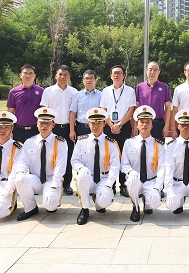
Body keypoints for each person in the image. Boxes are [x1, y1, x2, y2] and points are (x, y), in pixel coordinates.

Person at [14, 107, 68, 221]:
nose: (44, 126)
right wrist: (20, 173)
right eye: (41, 123)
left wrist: (54, 186)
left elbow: (60, 167)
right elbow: (23, 161)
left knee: (50, 206)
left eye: (47, 123)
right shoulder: (30, 142)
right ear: (37, 124)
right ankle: (30, 208)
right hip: (36, 179)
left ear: (53, 125)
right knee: (20, 179)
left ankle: (55, 194)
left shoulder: (61, 143)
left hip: (52, 179)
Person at [71, 107, 120, 225]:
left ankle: (98, 201)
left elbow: (115, 166)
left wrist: (109, 184)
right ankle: (84, 209)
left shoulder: (111, 143)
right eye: (93, 123)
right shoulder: (81, 141)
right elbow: (75, 160)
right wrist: (82, 168)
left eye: (99, 123)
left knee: (104, 202)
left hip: (103, 178)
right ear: (88, 123)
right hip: (87, 178)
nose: (96, 126)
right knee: (81, 175)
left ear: (104, 124)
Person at [120, 106, 165, 222]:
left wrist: (157, 187)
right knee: (132, 179)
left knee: (155, 203)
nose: (144, 125)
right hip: (136, 181)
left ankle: (147, 202)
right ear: (137, 125)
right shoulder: (129, 143)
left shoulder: (158, 145)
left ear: (152, 125)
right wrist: (131, 172)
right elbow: (124, 165)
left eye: (148, 122)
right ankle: (135, 206)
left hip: (151, 181)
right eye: (142, 122)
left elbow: (162, 168)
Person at [40, 65, 78, 195]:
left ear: (69, 77)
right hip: (53, 128)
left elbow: (74, 112)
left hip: (68, 128)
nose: (63, 77)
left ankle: (67, 183)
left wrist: (72, 130)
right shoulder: (49, 91)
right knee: (51, 155)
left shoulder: (74, 92)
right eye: (60, 74)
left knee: (68, 156)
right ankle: (50, 182)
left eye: (65, 75)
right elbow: (43, 110)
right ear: (56, 76)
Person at [100, 64, 136, 197]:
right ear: (111, 76)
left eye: (119, 73)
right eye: (114, 73)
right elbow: (103, 110)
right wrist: (111, 125)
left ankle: (123, 185)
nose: (116, 75)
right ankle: (111, 185)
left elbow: (131, 110)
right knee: (109, 156)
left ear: (124, 75)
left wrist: (119, 125)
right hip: (109, 126)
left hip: (124, 126)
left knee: (123, 156)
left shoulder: (130, 91)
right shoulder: (105, 91)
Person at [135, 61, 172, 141]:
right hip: (143, 123)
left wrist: (166, 126)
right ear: (146, 71)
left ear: (159, 72)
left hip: (158, 124)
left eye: (155, 70)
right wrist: (136, 126)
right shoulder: (140, 87)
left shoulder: (164, 87)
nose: (152, 72)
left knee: (158, 147)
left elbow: (168, 107)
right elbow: (136, 107)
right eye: (150, 69)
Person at [7, 64, 43, 143]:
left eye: (30, 73)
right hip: (18, 130)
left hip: (35, 130)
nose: (28, 75)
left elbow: (43, 111)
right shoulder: (13, 92)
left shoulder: (41, 91)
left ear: (34, 76)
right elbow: (10, 113)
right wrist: (9, 130)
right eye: (25, 73)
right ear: (20, 75)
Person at [69, 69, 102, 142]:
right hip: (81, 128)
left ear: (95, 80)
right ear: (83, 81)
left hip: (96, 127)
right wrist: (72, 130)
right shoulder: (77, 95)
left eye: (91, 78)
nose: (89, 80)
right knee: (81, 148)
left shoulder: (101, 95)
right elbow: (73, 113)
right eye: (87, 78)